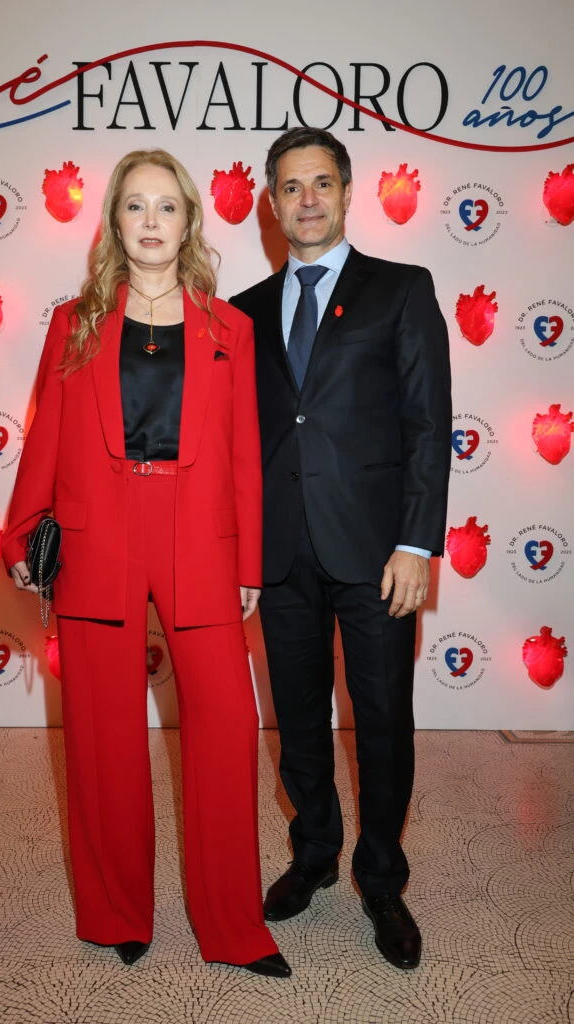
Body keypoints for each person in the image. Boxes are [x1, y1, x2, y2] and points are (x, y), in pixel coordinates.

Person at [2, 149, 290, 978]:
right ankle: (115, 912)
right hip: (100, 534)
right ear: (115, 222)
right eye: (137, 206)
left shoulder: (228, 328)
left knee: (229, 729)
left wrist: (250, 559)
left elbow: (243, 457)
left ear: (189, 221)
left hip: (201, 535)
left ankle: (233, 926)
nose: (153, 220)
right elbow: (46, 436)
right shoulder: (75, 321)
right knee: (102, 737)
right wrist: (24, 534)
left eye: (168, 206)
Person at [230, 127, 451, 970]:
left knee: (384, 721)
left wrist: (414, 542)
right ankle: (315, 853)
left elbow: (428, 425)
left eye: (321, 183)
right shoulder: (245, 312)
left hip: (377, 554)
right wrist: (239, 553)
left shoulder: (400, 290)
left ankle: (382, 879)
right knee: (296, 722)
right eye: (291, 187)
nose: (307, 200)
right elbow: (242, 444)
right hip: (281, 555)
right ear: (272, 201)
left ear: (347, 191)